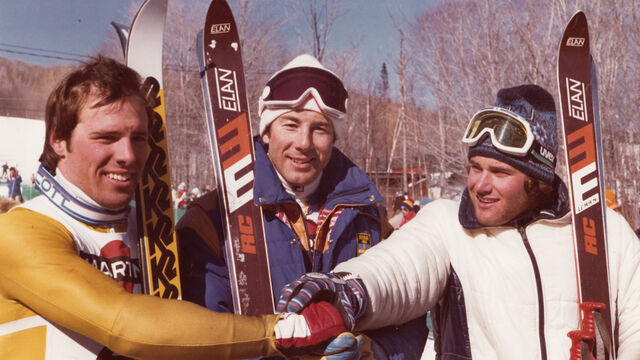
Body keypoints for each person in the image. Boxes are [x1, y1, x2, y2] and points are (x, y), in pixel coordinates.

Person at [0, 56, 347, 359]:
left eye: (139, 138)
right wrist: (278, 333)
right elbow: (124, 324)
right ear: (58, 139)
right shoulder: (20, 231)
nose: (128, 155)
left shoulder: (155, 232)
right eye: (106, 137)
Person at [276, 85, 640, 359]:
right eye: (474, 168)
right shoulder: (448, 224)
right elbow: (400, 267)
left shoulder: (604, 232)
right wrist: (349, 290)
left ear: (538, 180)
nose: (480, 184)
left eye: (499, 171)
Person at [177, 54, 428, 359]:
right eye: (291, 125)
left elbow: (407, 311)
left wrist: (375, 352)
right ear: (266, 132)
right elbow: (202, 335)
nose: (304, 142)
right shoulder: (212, 219)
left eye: (319, 129)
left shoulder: (368, 217)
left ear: (333, 138)